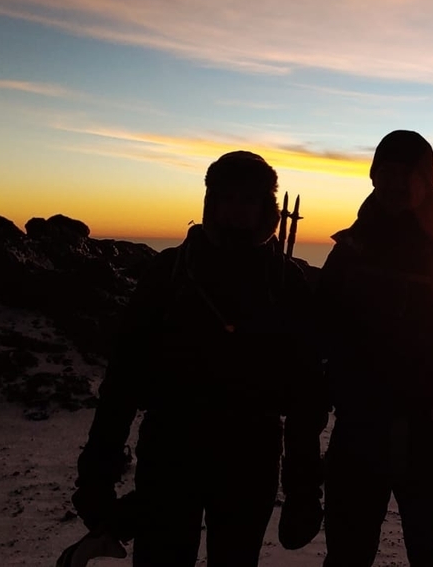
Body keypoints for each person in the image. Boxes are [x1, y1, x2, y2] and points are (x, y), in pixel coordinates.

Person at [64, 151, 328, 567]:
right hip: (171, 450)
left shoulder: (285, 281)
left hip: (251, 455)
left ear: (266, 207)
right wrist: (97, 470)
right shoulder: (169, 272)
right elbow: (124, 376)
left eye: (249, 199)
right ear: (211, 202)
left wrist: (303, 490)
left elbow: (305, 393)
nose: (238, 209)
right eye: (228, 198)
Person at [318, 130, 433, 567]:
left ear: (428, 180)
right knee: (345, 557)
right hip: (358, 436)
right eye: (386, 173)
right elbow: (319, 343)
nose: (396, 183)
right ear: (373, 178)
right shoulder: (350, 253)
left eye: (408, 174)